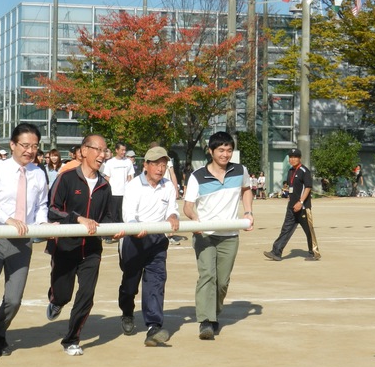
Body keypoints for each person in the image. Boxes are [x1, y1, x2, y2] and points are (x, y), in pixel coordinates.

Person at [0, 123, 48, 363]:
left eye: (34, 146)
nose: (30, 150)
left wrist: (42, 224)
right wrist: (7, 220)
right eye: (25, 145)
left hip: (23, 242)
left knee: (14, 298)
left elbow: (42, 204)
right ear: (12, 145)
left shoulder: (38, 173)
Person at [45, 135, 123, 356]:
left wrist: (111, 231)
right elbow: (52, 209)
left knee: (86, 294)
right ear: (84, 150)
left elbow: (109, 217)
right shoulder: (66, 178)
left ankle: (71, 339)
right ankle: (56, 300)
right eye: (98, 150)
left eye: (105, 150)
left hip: (91, 250)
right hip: (64, 247)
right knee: (63, 294)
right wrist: (78, 219)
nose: (102, 155)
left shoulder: (105, 185)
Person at [183, 131, 254, 340]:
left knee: (222, 281)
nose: (225, 154)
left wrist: (248, 212)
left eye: (229, 150)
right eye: (221, 150)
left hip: (230, 235)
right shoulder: (197, 176)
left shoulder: (240, 170)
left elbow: (246, 190)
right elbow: (188, 206)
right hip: (205, 235)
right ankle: (206, 321)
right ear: (211, 151)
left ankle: (213, 312)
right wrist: (195, 219)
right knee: (207, 275)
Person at [118, 146, 179, 346]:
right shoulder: (134, 185)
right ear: (146, 165)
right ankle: (127, 312)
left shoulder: (168, 186)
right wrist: (136, 228)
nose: (160, 169)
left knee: (156, 282)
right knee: (130, 284)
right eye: (156, 164)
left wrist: (172, 216)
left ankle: (153, 327)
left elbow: (172, 209)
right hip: (134, 240)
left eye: (163, 165)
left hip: (157, 241)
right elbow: (129, 214)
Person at [264, 148, 321, 262]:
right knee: (285, 229)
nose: (292, 159)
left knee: (308, 230)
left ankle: (314, 252)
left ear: (299, 158)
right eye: (290, 157)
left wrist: (300, 202)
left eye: (295, 157)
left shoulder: (304, 171)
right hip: (291, 207)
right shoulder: (290, 171)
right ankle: (276, 252)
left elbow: (308, 187)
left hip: (303, 207)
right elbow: (291, 188)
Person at [102, 141, 134, 243]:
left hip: (125, 194)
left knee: (123, 215)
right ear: (116, 150)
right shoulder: (110, 163)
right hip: (113, 193)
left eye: (125, 150)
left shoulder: (128, 162)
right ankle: (110, 235)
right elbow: (107, 177)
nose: (123, 152)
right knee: (112, 215)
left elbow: (130, 177)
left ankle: (123, 234)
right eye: (122, 150)